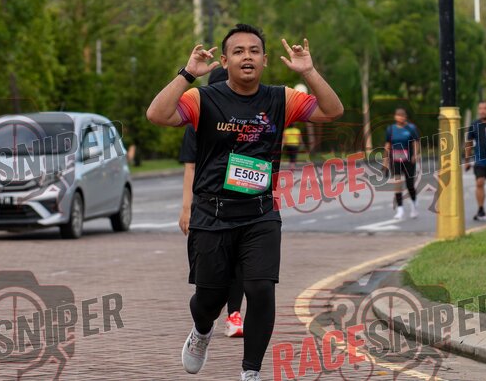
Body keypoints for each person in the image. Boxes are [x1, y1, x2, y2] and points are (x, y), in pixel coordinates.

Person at [146, 24, 343, 381]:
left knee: (260, 289)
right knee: (210, 299)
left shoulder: (280, 98)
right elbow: (157, 115)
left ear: (265, 60)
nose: (247, 57)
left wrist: (309, 72)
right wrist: (187, 73)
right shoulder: (203, 99)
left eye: (254, 51)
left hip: (260, 213)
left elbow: (333, 110)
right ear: (224, 61)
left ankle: (250, 372)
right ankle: (201, 331)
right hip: (212, 214)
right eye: (238, 51)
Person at [179, 66, 245, 338]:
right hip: (207, 208)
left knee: (239, 264)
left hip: (242, 206)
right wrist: (187, 209)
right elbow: (190, 167)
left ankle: (234, 314)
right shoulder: (197, 123)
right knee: (210, 275)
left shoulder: (247, 122)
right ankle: (206, 317)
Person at [382, 107, 421, 220]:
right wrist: (385, 162)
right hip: (395, 160)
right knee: (397, 184)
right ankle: (400, 209)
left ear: (405, 117)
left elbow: (416, 142)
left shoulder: (411, 128)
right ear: (395, 117)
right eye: (398, 115)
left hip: (409, 160)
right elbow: (387, 145)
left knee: (410, 184)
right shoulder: (391, 129)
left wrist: (415, 154)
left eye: (402, 116)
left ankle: (414, 205)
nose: (400, 118)